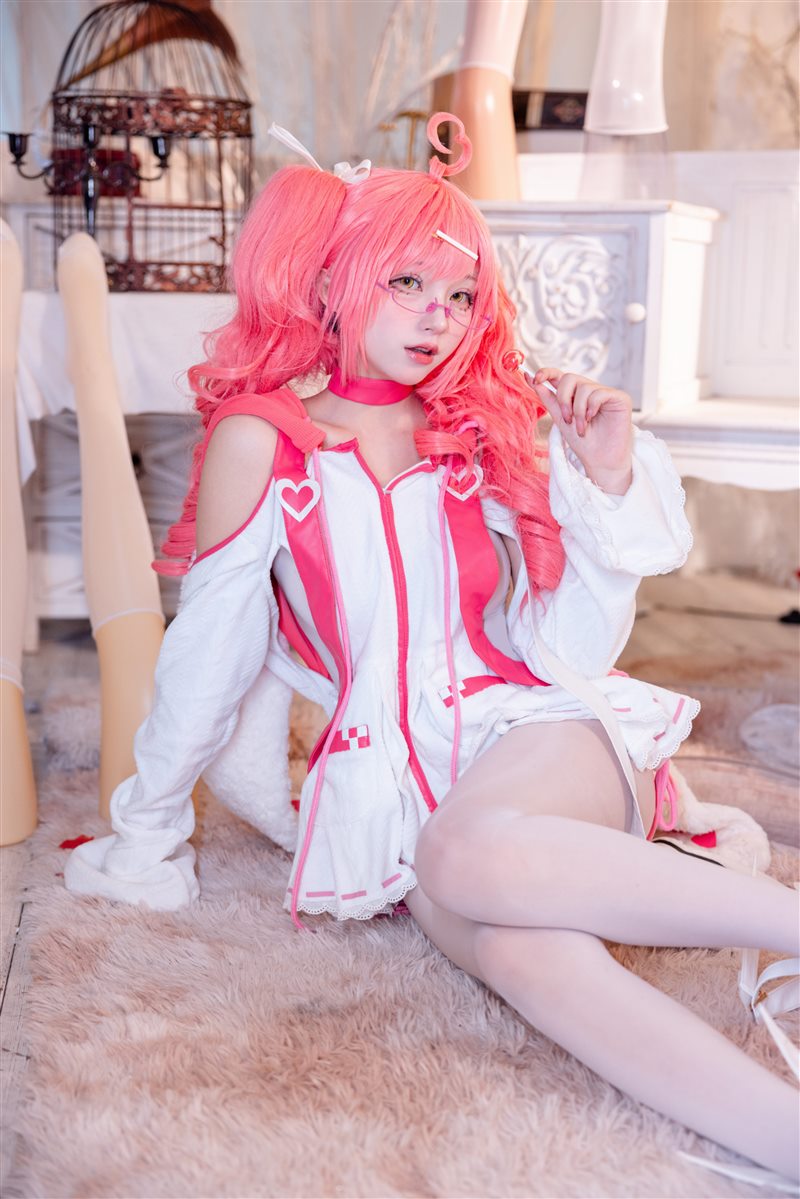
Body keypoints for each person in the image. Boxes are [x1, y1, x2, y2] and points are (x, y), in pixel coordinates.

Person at [65, 114, 798, 1181]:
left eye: (458, 295)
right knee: (520, 956)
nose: (436, 317)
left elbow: (566, 648)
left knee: (463, 855)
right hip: (400, 788)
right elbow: (207, 655)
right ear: (335, 274)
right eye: (407, 283)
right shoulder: (262, 438)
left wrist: (599, 479)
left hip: (546, 736)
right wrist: (148, 824)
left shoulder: (478, 431)